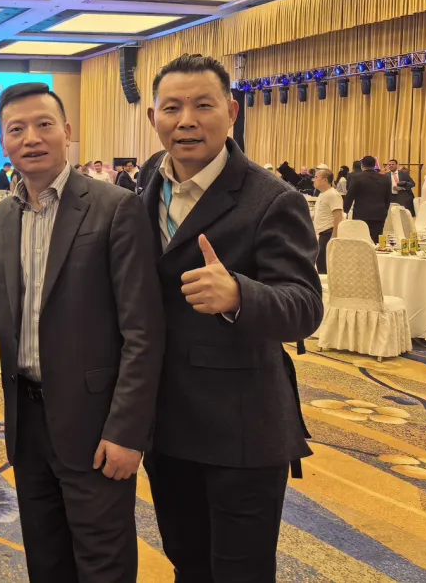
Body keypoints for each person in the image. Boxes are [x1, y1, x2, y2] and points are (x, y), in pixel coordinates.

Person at [0, 83, 164, 582]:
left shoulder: (115, 207)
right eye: (16, 129)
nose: (31, 138)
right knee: (45, 557)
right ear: (3, 143)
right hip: (26, 420)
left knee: (102, 561)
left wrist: (127, 431)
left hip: (95, 423)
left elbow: (142, 329)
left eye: (43, 124)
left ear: (67, 132)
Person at [142, 54, 322, 583]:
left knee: (241, 571)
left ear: (232, 112)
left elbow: (305, 307)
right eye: (172, 108)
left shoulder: (271, 199)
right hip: (164, 422)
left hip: (241, 429)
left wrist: (240, 294)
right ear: (154, 117)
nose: (186, 121)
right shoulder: (146, 188)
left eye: (203, 106)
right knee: (187, 561)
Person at [344, 155, 393, 242]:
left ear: (362, 165)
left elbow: (350, 197)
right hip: (379, 214)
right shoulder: (385, 178)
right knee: (376, 241)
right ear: (374, 165)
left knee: (361, 241)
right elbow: (388, 198)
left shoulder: (357, 178)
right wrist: (384, 212)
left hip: (361, 215)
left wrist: (345, 212)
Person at [312, 169, 344, 274]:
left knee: (324, 265)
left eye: (316, 177)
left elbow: (338, 217)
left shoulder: (333, 194)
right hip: (322, 233)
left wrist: (335, 237)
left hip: (329, 233)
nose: (313, 180)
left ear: (325, 180)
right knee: (320, 263)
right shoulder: (322, 194)